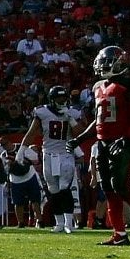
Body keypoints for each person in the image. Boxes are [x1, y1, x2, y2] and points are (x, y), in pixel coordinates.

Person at [79, 44, 130, 248]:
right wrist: (81, 138)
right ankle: (119, 233)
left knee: (122, 189)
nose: (103, 66)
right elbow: (99, 119)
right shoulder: (99, 87)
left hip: (122, 142)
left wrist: (127, 140)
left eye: (108, 62)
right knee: (108, 189)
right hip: (104, 141)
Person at [23, 86, 83, 234]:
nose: (62, 100)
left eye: (63, 98)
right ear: (52, 99)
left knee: (64, 188)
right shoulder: (42, 112)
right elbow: (31, 132)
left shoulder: (72, 112)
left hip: (65, 153)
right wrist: (21, 151)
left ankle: (69, 223)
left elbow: (80, 134)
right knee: (53, 190)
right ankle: (59, 223)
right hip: (49, 154)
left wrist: (70, 119)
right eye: (58, 98)